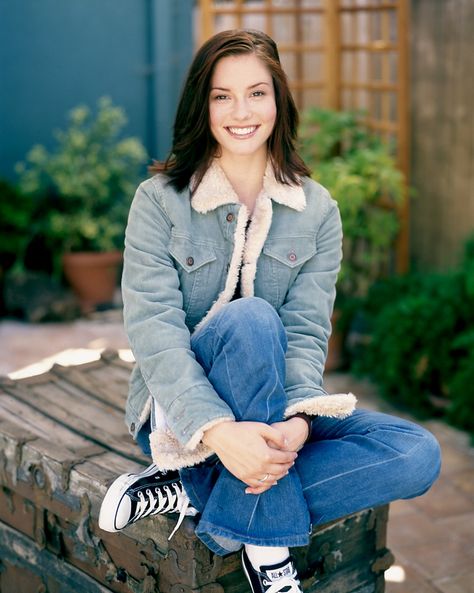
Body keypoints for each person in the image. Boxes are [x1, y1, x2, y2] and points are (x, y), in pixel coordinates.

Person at [98, 29, 441, 593]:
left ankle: (192, 491)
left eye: (257, 93)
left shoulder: (318, 210)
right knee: (252, 318)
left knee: (417, 454)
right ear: (200, 105)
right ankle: (267, 547)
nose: (241, 111)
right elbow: (154, 332)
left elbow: (307, 331)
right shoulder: (159, 201)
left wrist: (299, 423)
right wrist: (219, 431)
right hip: (181, 415)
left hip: (281, 404)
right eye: (221, 95)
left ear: (279, 101)